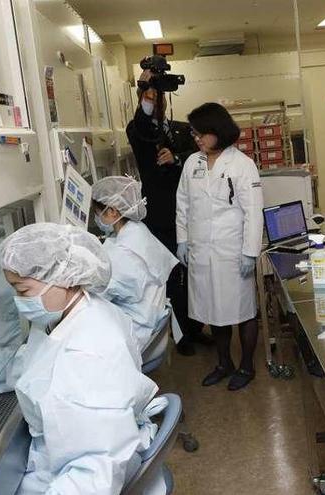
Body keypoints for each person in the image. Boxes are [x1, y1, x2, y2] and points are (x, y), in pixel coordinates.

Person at [0, 223, 165, 494]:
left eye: (23, 290)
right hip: (63, 455)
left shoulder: (86, 354)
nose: (19, 300)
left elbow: (95, 471)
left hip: (79, 474)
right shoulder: (70, 312)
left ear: (64, 277)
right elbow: (32, 360)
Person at [176, 102, 264, 391]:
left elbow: (253, 211)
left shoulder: (241, 165)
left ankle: (247, 366)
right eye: (194, 134)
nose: (197, 139)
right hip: (201, 250)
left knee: (243, 309)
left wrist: (250, 252)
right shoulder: (192, 163)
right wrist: (181, 240)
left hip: (232, 251)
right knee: (214, 309)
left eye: (202, 133)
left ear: (219, 131)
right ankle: (223, 363)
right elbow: (183, 204)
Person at [127, 66, 209, 356]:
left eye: (159, 97)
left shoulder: (180, 129)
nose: (156, 101)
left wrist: (176, 157)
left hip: (189, 211)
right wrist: (148, 89)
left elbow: (200, 155)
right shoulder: (138, 130)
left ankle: (197, 327)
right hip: (161, 216)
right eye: (151, 97)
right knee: (173, 275)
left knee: (195, 273)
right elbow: (143, 125)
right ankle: (181, 334)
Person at [92, 175, 180, 354]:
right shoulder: (137, 230)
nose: (96, 218)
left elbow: (101, 292)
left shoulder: (125, 253)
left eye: (97, 213)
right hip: (148, 316)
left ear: (112, 211)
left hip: (137, 329)